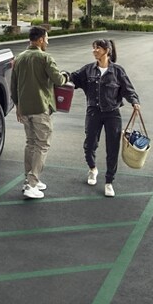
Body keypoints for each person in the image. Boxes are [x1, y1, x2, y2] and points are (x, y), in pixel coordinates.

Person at [67, 38, 141, 198]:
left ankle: (109, 182)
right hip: (93, 112)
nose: (94, 51)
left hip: (112, 114)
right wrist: (62, 75)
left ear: (106, 50)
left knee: (112, 149)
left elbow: (128, 89)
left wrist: (134, 102)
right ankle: (92, 169)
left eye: (97, 48)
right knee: (89, 145)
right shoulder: (88, 70)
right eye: (93, 48)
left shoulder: (117, 71)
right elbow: (73, 77)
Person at [9, 26, 70, 199]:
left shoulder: (19, 58)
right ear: (41, 39)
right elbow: (58, 80)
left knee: (31, 143)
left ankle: (28, 180)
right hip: (40, 108)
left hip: (25, 109)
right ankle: (32, 183)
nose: (48, 42)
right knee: (42, 145)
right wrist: (66, 76)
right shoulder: (45, 58)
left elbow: (13, 86)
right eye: (47, 39)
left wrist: (18, 106)